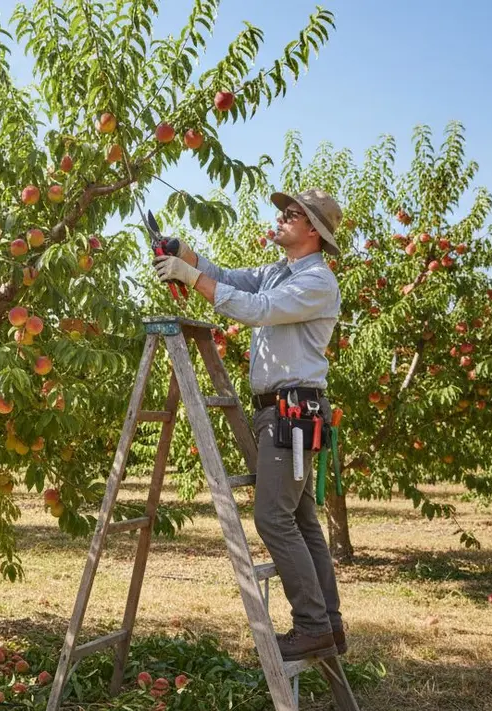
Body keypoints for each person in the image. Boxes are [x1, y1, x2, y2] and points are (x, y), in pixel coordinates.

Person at [151, 188, 346, 661]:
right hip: (277, 412)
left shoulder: (317, 281)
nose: (279, 218)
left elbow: (256, 310)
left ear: (313, 231)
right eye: (280, 211)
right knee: (301, 520)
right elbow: (229, 278)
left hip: (292, 413)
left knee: (273, 518)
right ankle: (330, 626)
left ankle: (313, 625)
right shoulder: (279, 272)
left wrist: (189, 278)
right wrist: (183, 253)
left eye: (291, 214)